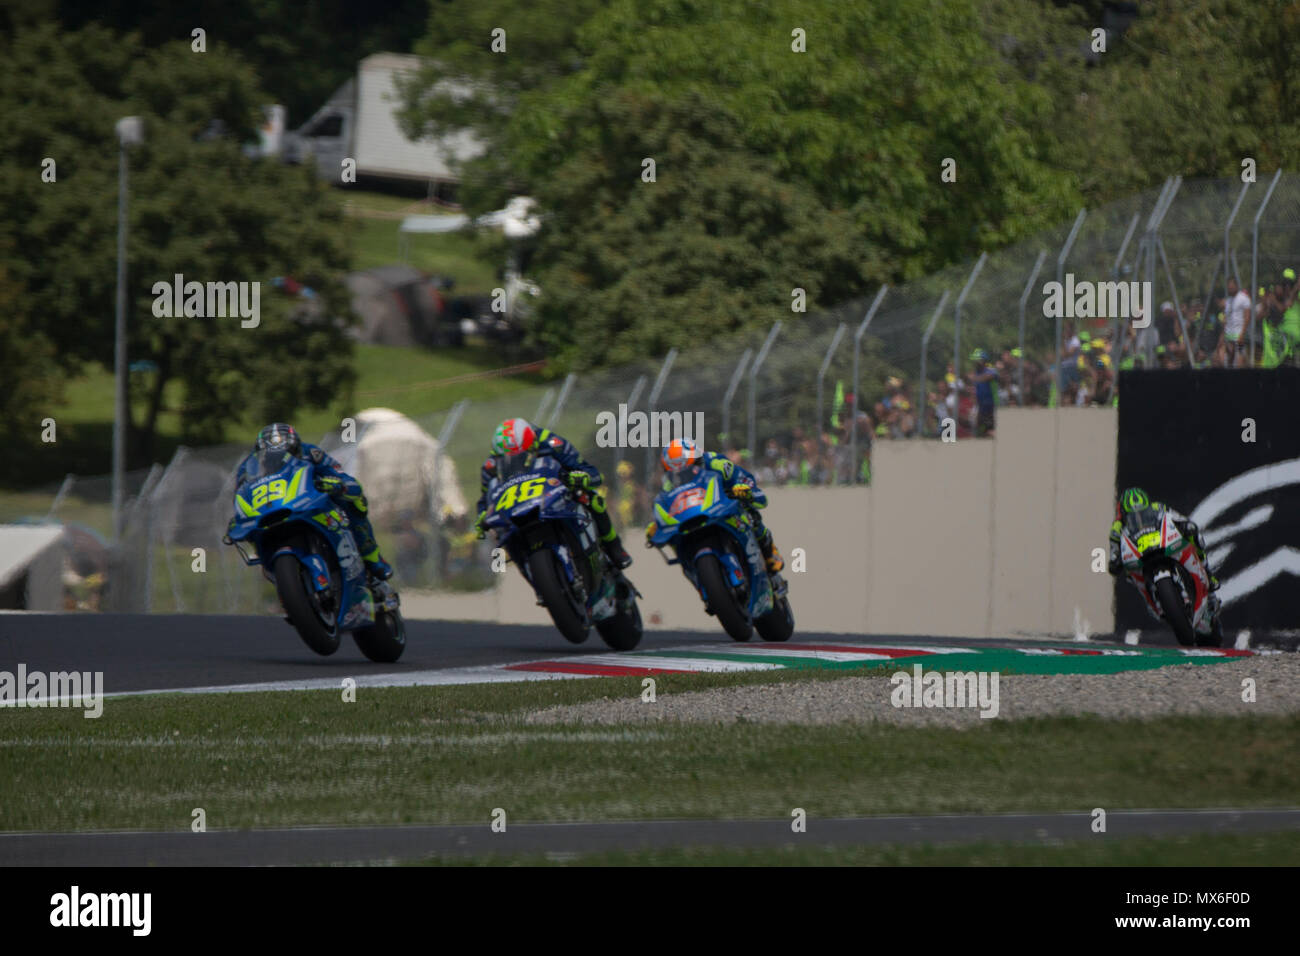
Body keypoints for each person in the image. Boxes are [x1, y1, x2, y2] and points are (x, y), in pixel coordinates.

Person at [234, 423, 396, 588]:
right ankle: (282, 578)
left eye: (286, 453)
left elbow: (342, 477)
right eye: (272, 457)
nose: (279, 459)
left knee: (353, 502)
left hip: (309, 502)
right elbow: (240, 496)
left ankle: (372, 556)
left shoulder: (311, 453)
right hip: (271, 512)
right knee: (247, 532)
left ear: (296, 448)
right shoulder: (247, 468)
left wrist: (338, 485)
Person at [474, 417, 632, 568]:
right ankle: (499, 576)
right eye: (508, 458)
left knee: (591, 498)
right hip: (517, 506)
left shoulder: (551, 442)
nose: (517, 461)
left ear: (533, 443)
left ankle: (614, 546)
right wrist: (483, 515)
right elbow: (486, 499)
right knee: (497, 533)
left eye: (524, 454)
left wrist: (581, 478)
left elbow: (588, 471)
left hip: (552, 494)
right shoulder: (492, 464)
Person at [650, 437, 784, 573]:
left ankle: (769, 551)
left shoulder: (716, 462)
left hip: (723, 504)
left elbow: (745, 479)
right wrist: (658, 523)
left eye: (690, 467)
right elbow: (666, 504)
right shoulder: (669, 484)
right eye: (675, 473)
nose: (683, 474)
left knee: (749, 511)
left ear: (698, 459)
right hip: (694, 514)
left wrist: (745, 490)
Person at [1107, 486, 1220, 617]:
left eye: (1143, 512)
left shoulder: (1158, 507)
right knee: (1130, 575)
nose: (1138, 517)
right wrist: (1114, 560)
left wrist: (1185, 526)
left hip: (1161, 544)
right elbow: (1114, 549)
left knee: (1195, 537)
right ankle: (1152, 600)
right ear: (1123, 513)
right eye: (1132, 516)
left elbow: (1178, 518)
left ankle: (1208, 575)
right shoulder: (1117, 528)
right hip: (1139, 557)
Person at [969, 349, 997, 437]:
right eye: (975, 360)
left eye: (978, 360)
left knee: (991, 428)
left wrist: (974, 378)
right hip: (980, 405)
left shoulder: (990, 371)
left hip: (992, 405)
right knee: (978, 427)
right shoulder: (975, 373)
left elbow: (988, 377)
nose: (976, 362)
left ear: (984, 361)